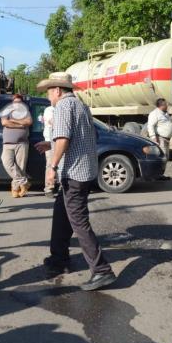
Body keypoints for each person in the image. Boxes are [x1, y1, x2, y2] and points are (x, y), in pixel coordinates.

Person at [35, 72, 116, 291]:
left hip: (73, 174)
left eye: (50, 92)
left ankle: (101, 270)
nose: (49, 96)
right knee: (62, 215)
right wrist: (49, 145)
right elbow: (80, 139)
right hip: (84, 171)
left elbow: (64, 138)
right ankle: (59, 258)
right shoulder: (81, 106)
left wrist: (52, 166)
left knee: (79, 222)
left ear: (58, 90)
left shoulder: (62, 107)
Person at [1, 93, 33, 198]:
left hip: (22, 143)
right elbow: (5, 122)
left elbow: (29, 121)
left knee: (20, 167)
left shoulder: (25, 112)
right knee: (7, 163)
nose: (17, 104)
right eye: (15, 102)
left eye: (19, 102)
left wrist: (14, 121)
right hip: (7, 144)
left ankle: (16, 189)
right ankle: (24, 182)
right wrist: (21, 124)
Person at [147, 97, 172, 170]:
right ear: (162, 105)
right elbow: (150, 125)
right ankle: (158, 174)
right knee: (162, 158)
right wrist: (153, 137)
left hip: (166, 139)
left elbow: (167, 123)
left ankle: (161, 174)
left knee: (166, 157)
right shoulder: (155, 113)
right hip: (160, 139)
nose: (167, 106)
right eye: (166, 104)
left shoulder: (164, 114)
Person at [42, 104, 56, 197]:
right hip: (50, 141)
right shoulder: (49, 109)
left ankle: (61, 186)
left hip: (59, 140)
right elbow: (52, 122)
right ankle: (49, 188)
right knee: (51, 164)